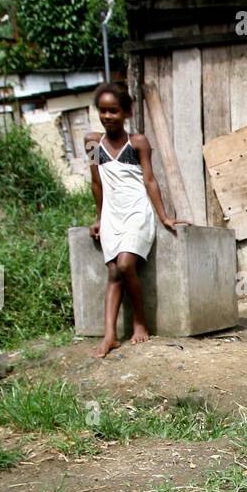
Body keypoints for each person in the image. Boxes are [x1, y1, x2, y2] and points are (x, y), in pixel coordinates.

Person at [88, 82, 183, 359]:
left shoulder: (138, 142)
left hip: (136, 212)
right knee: (114, 272)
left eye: (114, 111)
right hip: (112, 215)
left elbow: (150, 180)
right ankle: (110, 336)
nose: (108, 116)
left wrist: (163, 216)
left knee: (126, 264)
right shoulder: (93, 144)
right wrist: (98, 217)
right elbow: (96, 183)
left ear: (126, 113)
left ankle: (140, 319)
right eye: (103, 111)